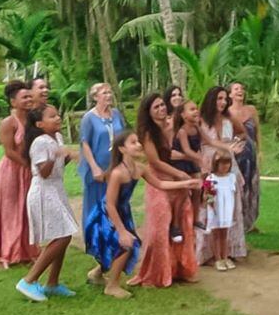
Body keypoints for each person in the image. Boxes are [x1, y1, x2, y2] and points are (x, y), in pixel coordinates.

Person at [86, 130, 196, 298]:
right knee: (125, 244)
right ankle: (112, 286)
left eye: (138, 141)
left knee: (120, 244)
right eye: (133, 142)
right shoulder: (117, 173)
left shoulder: (140, 168)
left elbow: (160, 184)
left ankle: (95, 274)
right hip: (107, 213)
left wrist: (186, 183)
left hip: (123, 211)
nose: (138, 145)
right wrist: (121, 230)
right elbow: (109, 204)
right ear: (122, 149)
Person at [128, 94, 202, 288]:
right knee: (159, 228)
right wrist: (179, 174)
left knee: (183, 221)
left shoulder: (169, 126)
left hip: (174, 177)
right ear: (148, 112)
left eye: (162, 105)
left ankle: (181, 269)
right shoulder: (147, 133)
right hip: (158, 179)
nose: (161, 109)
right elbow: (155, 162)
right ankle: (156, 272)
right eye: (156, 107)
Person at [16, 105, 80, 302]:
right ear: (39, 124)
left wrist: (66, 156)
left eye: (57, 115)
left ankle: (52, 282)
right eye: (52, 116)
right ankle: (29, 280)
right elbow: (43, 172)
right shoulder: (39, 142)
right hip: (44, 191)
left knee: (63, 234)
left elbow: (57, 167)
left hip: (56, 189)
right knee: (62, 236)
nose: (58, 118)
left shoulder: (57, 138)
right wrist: (56, 154)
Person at [78, 82, 125, 285]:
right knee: (99, 216)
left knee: (117, 214)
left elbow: (123, 139)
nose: (108, 95)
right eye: (104, 92)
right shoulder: (89, 118)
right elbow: (85, 143)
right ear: (95, 96)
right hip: (97, 175)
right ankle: (101, 260)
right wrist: (95, 167)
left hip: (115, 171)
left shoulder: (117, 115)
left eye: (109, 91)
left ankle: (105, 265)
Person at [0, 81, 38, 268]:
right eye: (24, 97)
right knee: (9, 212)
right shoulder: (9, 123)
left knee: (26, 211)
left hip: (29, 170)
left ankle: (26, 251)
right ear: (13, 102)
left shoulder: (33, 119)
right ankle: (6, 253)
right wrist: (28, 166)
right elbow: (9, 151)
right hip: (11, 171)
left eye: (29, 96)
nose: (29, 100)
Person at [196, 86, 247, 266]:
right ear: (211, 99)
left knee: (229, 207)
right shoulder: (201, 120)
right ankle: (209, 253)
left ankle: (228, 251)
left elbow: (242, 132)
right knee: (209, 207)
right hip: (209, 163)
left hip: (227, 162)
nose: (223, 102)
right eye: (219, 98)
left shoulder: (229, 118)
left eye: (225, 99)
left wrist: (233, 144)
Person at [228, 82, 261, 232]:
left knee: (252, 186)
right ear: (230, 94)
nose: (240, 91)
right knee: (238, 187)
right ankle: (238, 221)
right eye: (236, 89)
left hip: (251, 152)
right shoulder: (227, 112)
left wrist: (260, 151)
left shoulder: (251, 110)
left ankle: (250, 222)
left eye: (242, 89)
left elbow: (258, 131)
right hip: (236, 155)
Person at [172, 99, 205, 226]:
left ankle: (196, 219)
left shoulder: (197, 128)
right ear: (183, 115)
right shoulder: (182, 131)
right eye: (192, 109)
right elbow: (187, 151)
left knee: (198, 190)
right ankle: (176, 224)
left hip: (193, 162)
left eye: (196, 108)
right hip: (181, 164)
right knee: (183, 193)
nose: (196, 111)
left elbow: (207, 141)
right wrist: (200, 159)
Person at [204, 151, 238, 272]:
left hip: (227, 208)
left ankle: (225, 256)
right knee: (216, 233)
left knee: (225, 233)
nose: (225, 166)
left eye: (227, 163)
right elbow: (207, 195)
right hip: (216, 209)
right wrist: (210, 201)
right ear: (216, 164)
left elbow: (233, 194)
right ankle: (217, 258)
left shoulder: (231, 177)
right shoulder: (211, 178)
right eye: (222, 163)